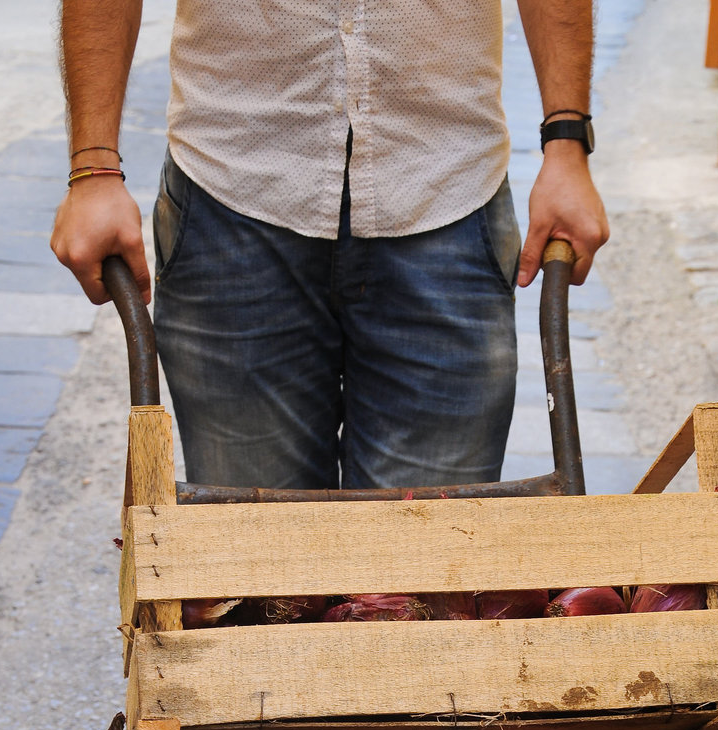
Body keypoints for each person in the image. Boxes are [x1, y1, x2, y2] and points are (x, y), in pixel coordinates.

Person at [51, 0, 608, 491]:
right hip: (232, 187)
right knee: (256, 577)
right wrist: (93, 166)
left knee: (424, 579)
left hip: (445, 184)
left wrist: (566, 143)